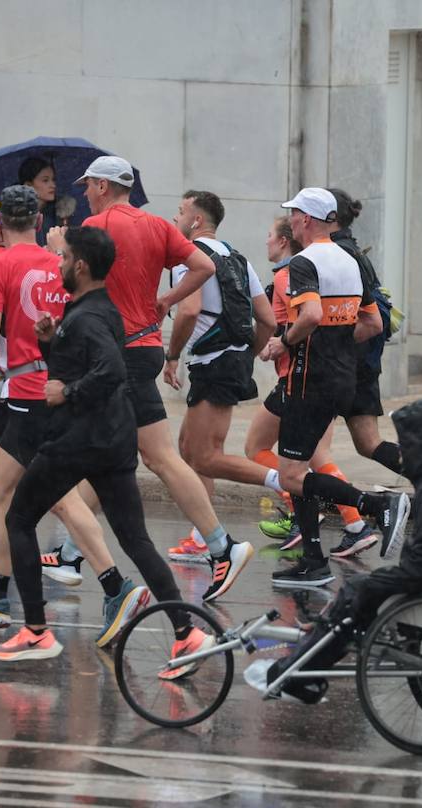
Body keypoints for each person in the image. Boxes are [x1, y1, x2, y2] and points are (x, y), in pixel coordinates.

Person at [0, 227, 193, 664]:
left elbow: (112, 370)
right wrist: (49, 341)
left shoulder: (87, 317)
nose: (58, 265)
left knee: (20, 518)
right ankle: (186, 632)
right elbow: (87, 361)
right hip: (114, 439)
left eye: (63, 258)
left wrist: (68, 393)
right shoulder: (95, 310)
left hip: (82, 438)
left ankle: (35, 631)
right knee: (135, 539)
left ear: (80, 265)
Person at [49, 155, 248, 602]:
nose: (83, 191)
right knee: (108, 456)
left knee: (157, 457)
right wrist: (164, 302)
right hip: (142, 348)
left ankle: (222, 546)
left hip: (114, 353)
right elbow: (205, 267)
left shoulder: (96, 227)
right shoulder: (159, 225)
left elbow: (71, 284)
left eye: (87, 185)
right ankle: (68, 551)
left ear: (103, 186)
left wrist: (56, 249)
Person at [0, 186, 128, 632]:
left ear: (0, 224)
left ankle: (114, 586)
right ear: (39, 222)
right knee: (10, 489)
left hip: (27, 392)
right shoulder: (57, 263)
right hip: (58, 386)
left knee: (37, 493)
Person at [245, 398, 422, 702]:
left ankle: (299, 674)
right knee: (354, 596)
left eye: (405, 443)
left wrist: (380, 582)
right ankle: (322, 631)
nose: (401, 450)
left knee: (355, 592)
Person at [256, 187, 410, 587]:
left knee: (290, 475)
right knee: (300, 466)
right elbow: (374, 324)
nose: (290, 221)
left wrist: (283, 343)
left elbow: (309, 315)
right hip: (343, 377)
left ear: (306, 219)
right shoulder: (350, 259)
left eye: (294, 215)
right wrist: (336, 343)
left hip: (308, 380)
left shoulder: (306, 262)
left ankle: (376, 504)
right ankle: (313, 560)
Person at [162, 190, 275, 574]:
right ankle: (202, 537)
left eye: (180, 211)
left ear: (196, 221)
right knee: (189, 449)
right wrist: (246, 354)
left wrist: (173, 354)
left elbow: (189, 310)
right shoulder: (238, 258)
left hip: (214, 363)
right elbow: (269, 321)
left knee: (205, 455)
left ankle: (287, 484)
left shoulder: (187, 257)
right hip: (225, 362)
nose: (175, 216)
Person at [242, 216, 369, 556]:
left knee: (264, 450)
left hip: (299, 379)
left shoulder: (290, 275)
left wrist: (281, 342)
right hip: (321, 377)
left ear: (286, 240)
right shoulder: (329, 267)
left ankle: (319, 510)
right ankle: (352, 523)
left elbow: (304, 319)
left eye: (270, 234)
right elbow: (367, 321)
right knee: (309, 456)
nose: (266, 240)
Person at [327, 189, 404, 482]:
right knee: (368, 443)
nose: (298, 219)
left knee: (310, 448)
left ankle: (348, 516)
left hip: (342, 365)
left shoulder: (335, 253)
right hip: (363, 363)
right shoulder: (352, 249)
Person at [20, 156, 74, 246]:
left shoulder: (62, 213)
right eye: (45, 180)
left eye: (53, 179)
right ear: (28, 185)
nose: (53, 185)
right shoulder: (17, 218)